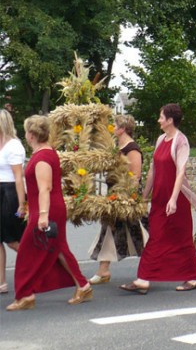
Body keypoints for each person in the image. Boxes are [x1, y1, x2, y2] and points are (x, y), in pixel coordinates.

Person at [7, 115, 92, 311]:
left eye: (27, 131)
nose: (26, 134)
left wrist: (43, 216)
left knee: (27, 253)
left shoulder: (43, 157)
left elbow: (45, 188)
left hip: (47, 210)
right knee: (59, 248)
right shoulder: (45, 153)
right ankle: (83, 285)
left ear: (32, 135)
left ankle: (26, 295)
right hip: (47, 208)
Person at [120, 104, 196, 294]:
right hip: (159, 196)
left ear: (170, 120)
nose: (159, 120)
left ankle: (192, 276)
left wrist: (173, 199)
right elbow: (152, 171)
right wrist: (144, 196)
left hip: (175, 197)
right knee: (156, 235)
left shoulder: (181, 141)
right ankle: (145, 278)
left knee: (181, 237)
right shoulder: (160, 139)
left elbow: (180, 171)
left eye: (161, 117)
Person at [88, 114, 145, 284]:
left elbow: (135, 175)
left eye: (114, 125)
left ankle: (156, 264)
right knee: (109, 229)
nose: (112, 128)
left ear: (122, 129)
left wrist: (128, 198)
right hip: (114, 193)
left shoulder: (132, 148)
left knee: (140, 232)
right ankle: (103, 270)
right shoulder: (117, 147)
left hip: (126, 196)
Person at [0, 110, 26, 295]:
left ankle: (41, 267)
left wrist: (21, 204)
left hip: (10, 194)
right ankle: (1, 282)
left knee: (12, 240)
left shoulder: (14, 145)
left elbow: (18, 177)